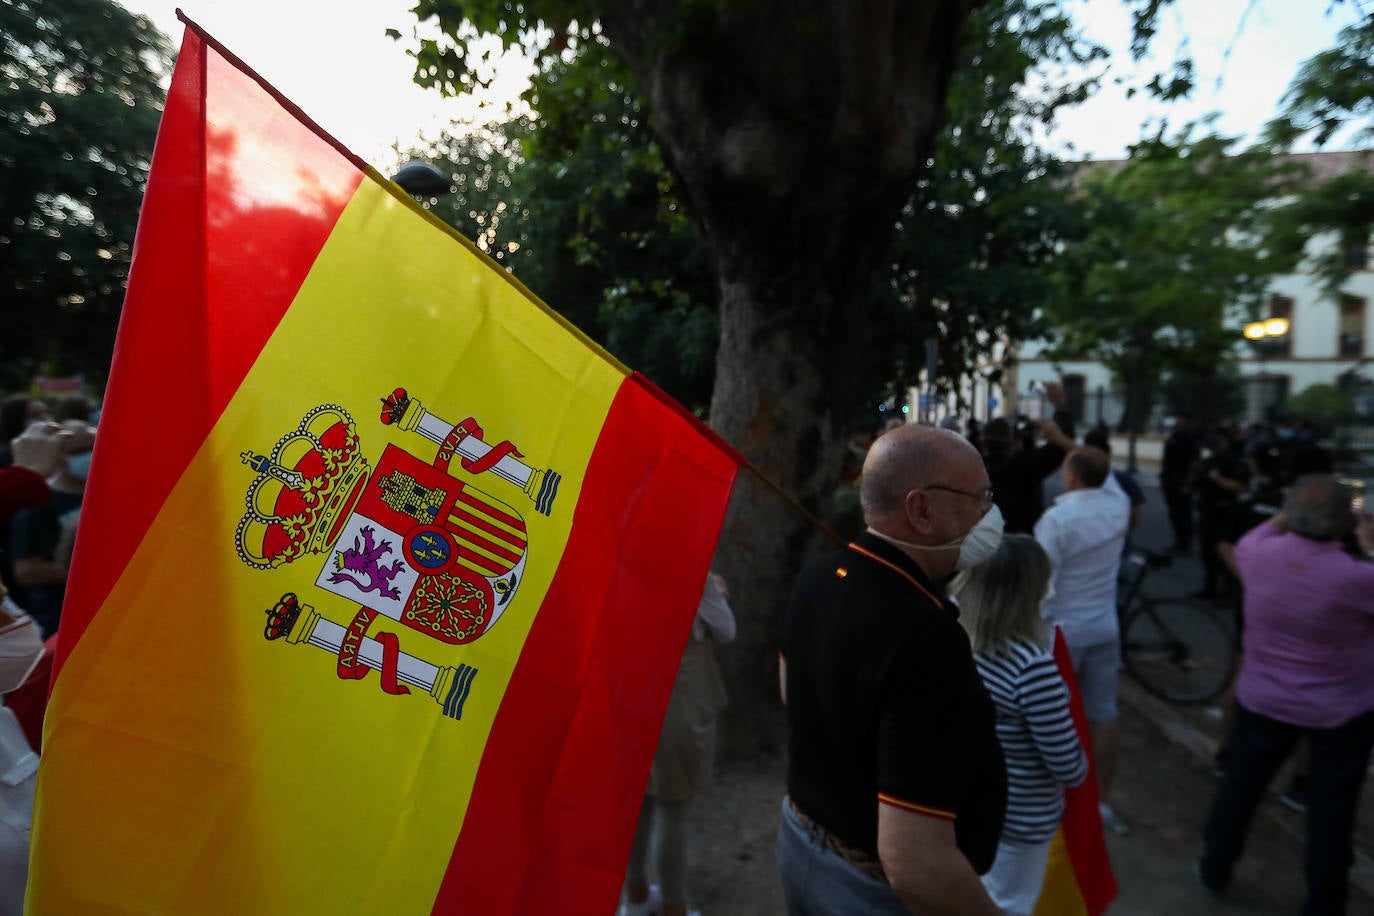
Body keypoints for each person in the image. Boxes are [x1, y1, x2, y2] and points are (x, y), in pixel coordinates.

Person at [776, 425, 1006, 916]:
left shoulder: (818, 575)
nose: (989, 513)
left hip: (799, 843)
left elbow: (792, 694)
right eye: (979, 497)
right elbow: (915, 862)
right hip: (867, 893)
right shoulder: (926, 636)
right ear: (921, 510)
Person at [1197, 476, 1374, 915]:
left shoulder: (1256, 552)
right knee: (1332, 813)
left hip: (1263, 701)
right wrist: (1367, 542)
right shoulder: (1357, 577)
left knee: (1240, 790)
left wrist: (1293, 507)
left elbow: (1270, 527)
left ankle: (1215, 868)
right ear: (1349, 521)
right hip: (1341, 712)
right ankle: (1324, 902)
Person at [952, 535, 1088, 916]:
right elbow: (1068, 766)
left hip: (967, 805)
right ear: (1026, 594)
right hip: (1021, 820)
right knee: (1008, 907)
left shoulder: (957, 642)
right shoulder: (1033, 667)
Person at [620, 572, 736, 916]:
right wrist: (716, 592)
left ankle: (636, 895)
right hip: (679, 702)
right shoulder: (694, 575)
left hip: (631, 694)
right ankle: (674, 907)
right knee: (674, 809)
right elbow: (727, 631)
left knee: (639, 804)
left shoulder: (624, 564)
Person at [1033, 447, 1131, 835]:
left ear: (1071, 476)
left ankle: (1054, 800)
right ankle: (1102, 803)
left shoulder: (1057, 519)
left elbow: (1043, 584)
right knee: (1103, 714)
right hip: (1105, 625)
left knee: (1052, 715)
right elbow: (1110, 479)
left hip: (1064, 630)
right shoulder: (1118, 506)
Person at [7, 419, 94, 635]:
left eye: (95, 446)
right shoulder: (36, 502)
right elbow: (26, 572)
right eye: (80, 451)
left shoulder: (113, 493)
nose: (91, 455)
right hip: (59, 621)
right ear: (57, 456)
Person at [981, 414, 1074, 534]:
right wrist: (1060, 409)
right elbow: (1062, 449)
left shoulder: (975, 468)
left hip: (987, 539)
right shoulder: (1023, 466)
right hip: (1023, 541)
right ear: (1012, 443)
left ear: (983, 443)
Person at [1160, 412, 1199, 556]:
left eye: (1180, 419)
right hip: (1170, 480)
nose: (1177, 421)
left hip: (1181, 481)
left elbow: (1193, 463)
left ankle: (1185, 544)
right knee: (1175, 513)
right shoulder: (1174, 436)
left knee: (1183, 514)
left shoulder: (1190, 439)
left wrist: (1189, 483)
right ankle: (1178, 541)